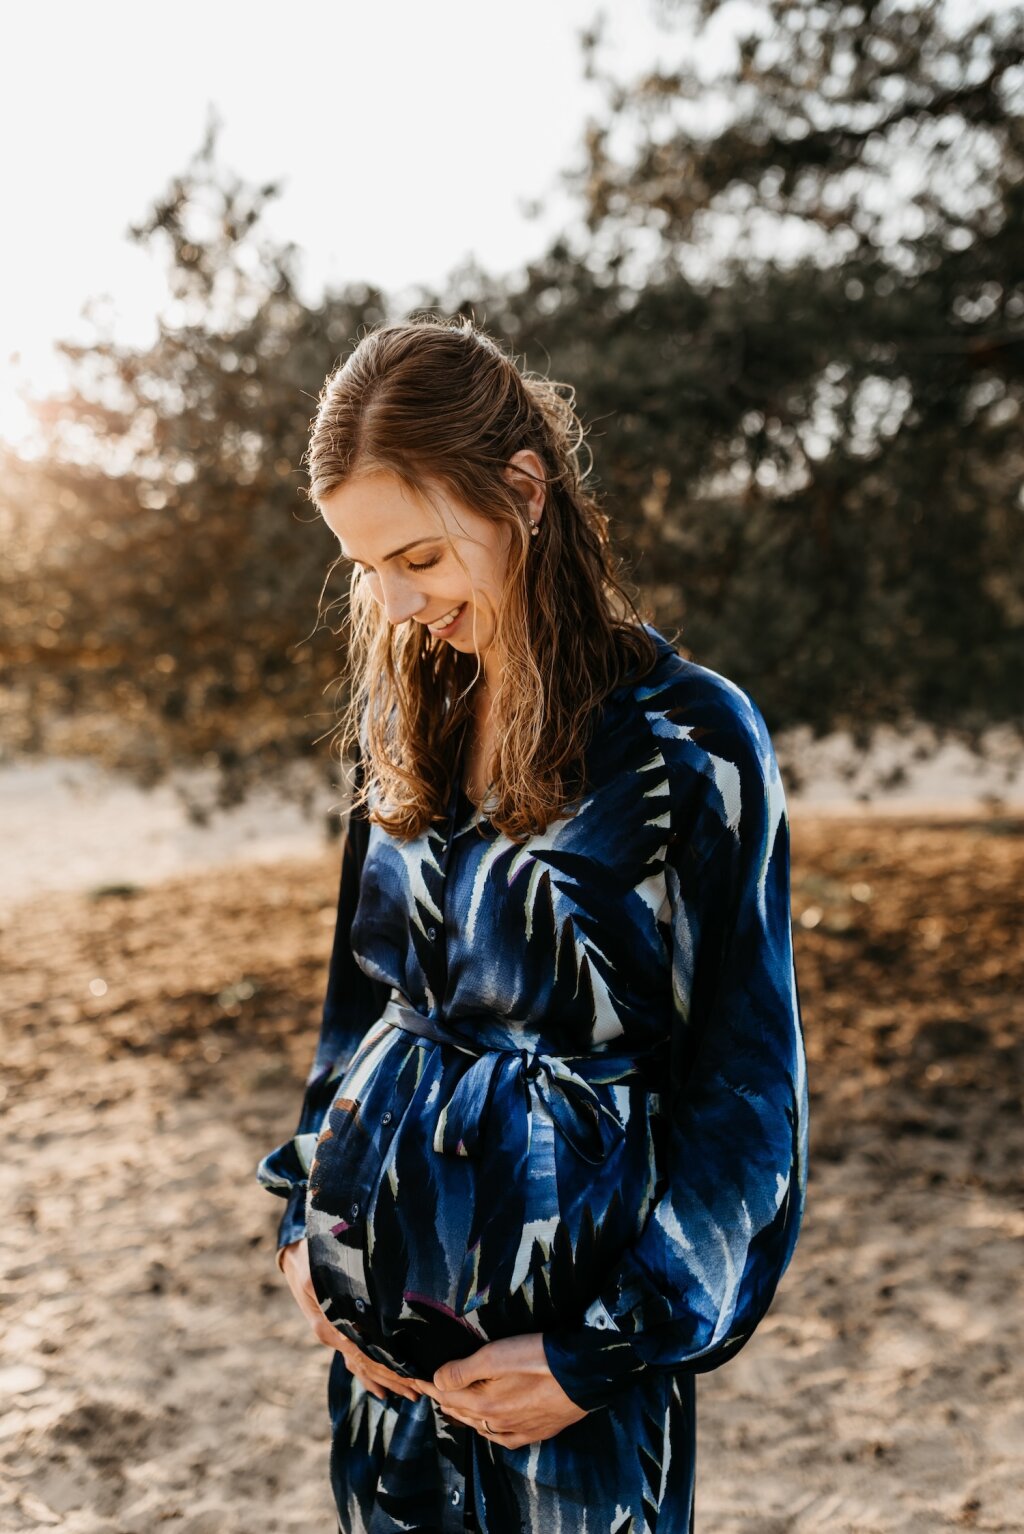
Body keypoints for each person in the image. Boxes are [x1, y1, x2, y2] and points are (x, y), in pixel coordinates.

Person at [255, 315, 809, 1533]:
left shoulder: (688, 743)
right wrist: (306, 1232)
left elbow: (746, 1091)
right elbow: (358, 1014)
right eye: (366, 567)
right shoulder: (402, 728)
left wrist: (601, 1350)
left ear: (522, 490)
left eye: (420, 555)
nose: (398, 603)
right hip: (382, 1391)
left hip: (568, 1388)